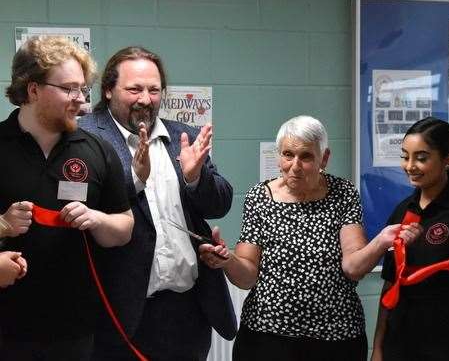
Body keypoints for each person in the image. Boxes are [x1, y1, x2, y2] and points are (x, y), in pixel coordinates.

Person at [198, 115, 422, 361]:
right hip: (267, 338)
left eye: (306, 157)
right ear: (278, 155)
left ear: (324, 158)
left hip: (336, 338)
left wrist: (381, 241)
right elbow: (247, 276)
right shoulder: (259, 198)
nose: (295, 165)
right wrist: (227, 259)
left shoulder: (343, 194)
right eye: (287, 154)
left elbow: (353, 267)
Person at [79, 46, 236, 361]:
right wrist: (135, 179)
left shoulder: (184, 135)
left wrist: (194, 178)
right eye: (134, 89)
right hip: (120, 313)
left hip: (188, 312)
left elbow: (219, 204)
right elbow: (87, 206)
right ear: (108, 90)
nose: (145, 99)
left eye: (154, 90)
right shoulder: (84, 137)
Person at [0, 36, 134, 360]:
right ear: (32, 89)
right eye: (69, 89)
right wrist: (1, 225)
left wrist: (99, 220)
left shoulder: (98, 150)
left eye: (82, 89)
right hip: (6, 329)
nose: (81, 101)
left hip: (76, 332)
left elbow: (125, 226)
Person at [371, 117, 449, 361]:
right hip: (402, 342)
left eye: (421, 157)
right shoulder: (402, 211)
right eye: (405, 156)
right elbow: (390, 287)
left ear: (447, 160)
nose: (410, 166)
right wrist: (379, 347)